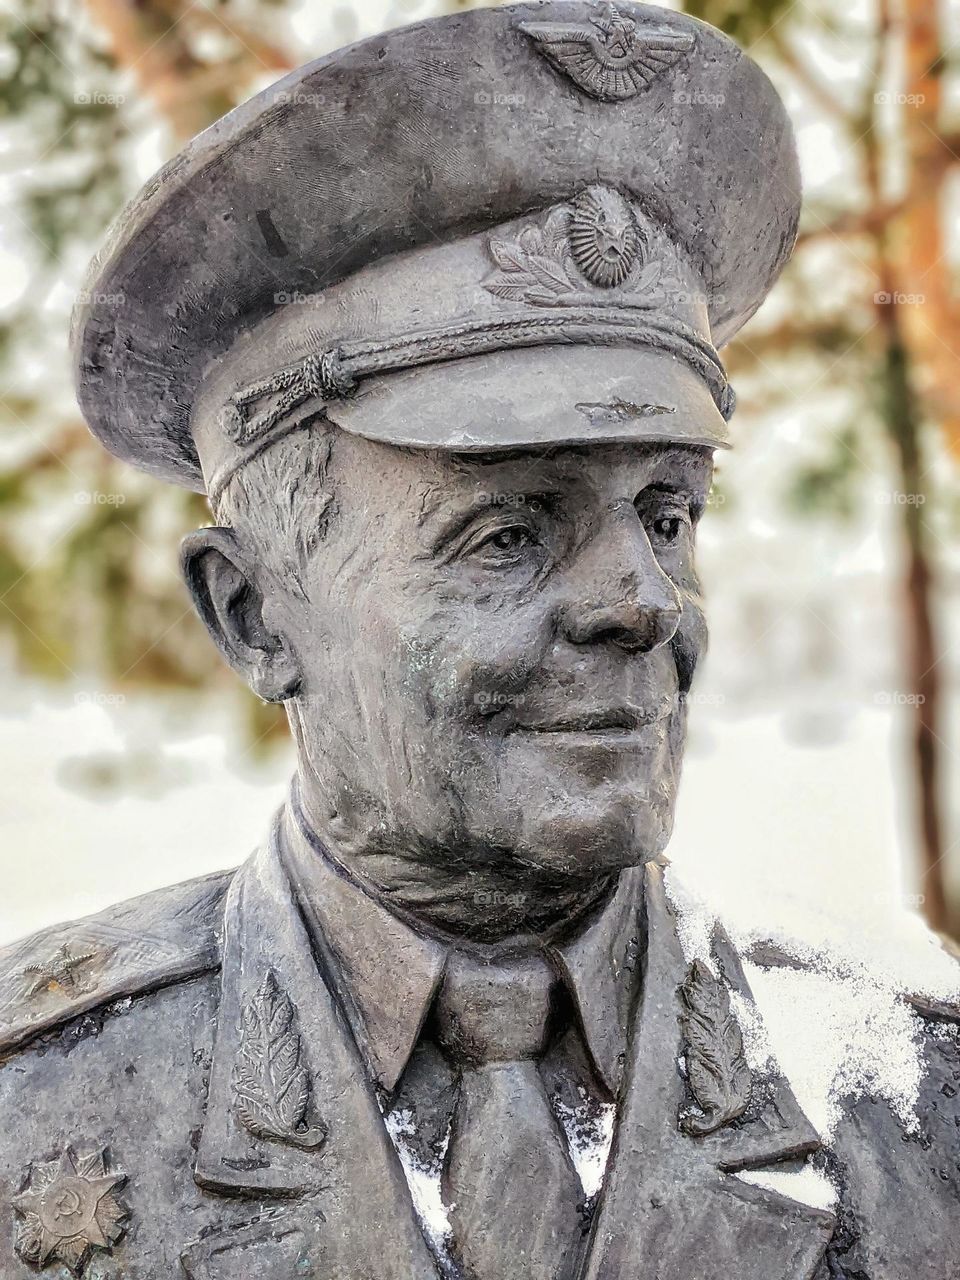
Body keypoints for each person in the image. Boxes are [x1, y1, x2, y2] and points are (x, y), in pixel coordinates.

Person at [1, 4, 956, 1277]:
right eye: (508, 531)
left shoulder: (915, 1095)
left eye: (667, 513)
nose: (645, 600)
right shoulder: (40, 1107)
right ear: (254, 614)